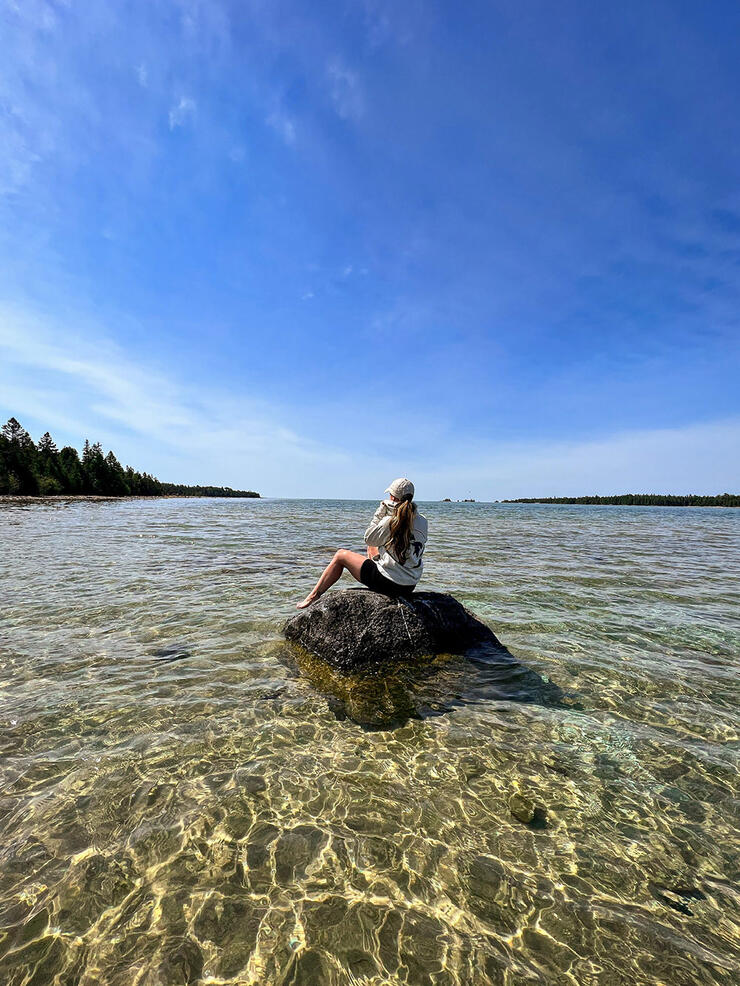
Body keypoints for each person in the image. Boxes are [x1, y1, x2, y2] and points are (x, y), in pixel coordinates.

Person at [296, 478, 428, 609]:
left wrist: (380, 513)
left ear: (392, 498)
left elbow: (368, 538)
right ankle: (382, 566)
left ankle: (313, 595)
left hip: (390, 584)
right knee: (373, 547)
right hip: (410, 585)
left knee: (340, 555)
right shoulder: (423, 521)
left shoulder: (390, 521)